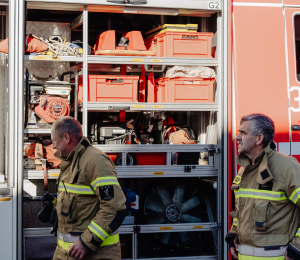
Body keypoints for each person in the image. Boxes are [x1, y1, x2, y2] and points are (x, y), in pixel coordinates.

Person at [226, 114, 300, 260]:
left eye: (243, 133)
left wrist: (297, 248)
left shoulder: (287, 167)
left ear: (259, 139)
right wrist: (233, 234)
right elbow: (241, 210)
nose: (237, 137)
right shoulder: (245, 168)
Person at [51, 116, 126, 260]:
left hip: (95, 254)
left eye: (55, 141)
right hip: (66, 253)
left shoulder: (96, 161)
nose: (53, 146)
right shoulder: (71, 161)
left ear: (66, 137)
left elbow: (114, 207)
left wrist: (86, 242)